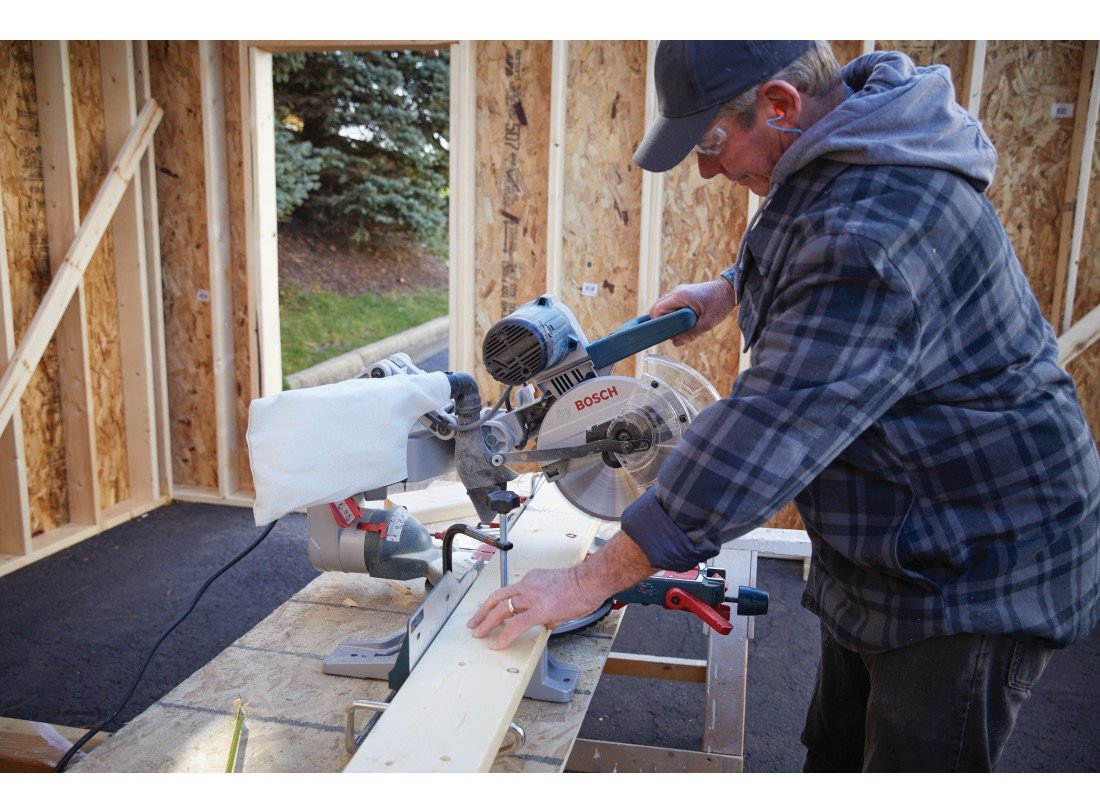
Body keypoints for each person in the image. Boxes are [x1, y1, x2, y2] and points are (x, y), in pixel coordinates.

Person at [468, 40, 1100, 771]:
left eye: (710, 142)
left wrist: (583, 581)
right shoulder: (851, 141)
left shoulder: (869, 235)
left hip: (975, 558)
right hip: (892, 529)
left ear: (780, 104)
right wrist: (732, 286)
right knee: (834, 753)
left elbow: (763, 439)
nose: (705, 169)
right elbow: (808, 218)